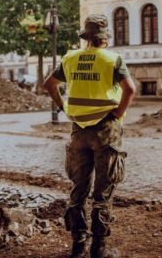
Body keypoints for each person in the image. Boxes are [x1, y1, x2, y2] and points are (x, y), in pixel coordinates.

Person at [43, 14, 136, 258]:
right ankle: (99, 248)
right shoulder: (112, 59)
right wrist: (118, 112)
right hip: (106, 130)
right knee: (102, 192)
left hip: (78, 131)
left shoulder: (70, 58)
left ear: (85, 37)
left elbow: (49, 85)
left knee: (79, 188)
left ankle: (78, 243)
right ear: (104, 39)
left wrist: (62, 106)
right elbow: (131, 89)